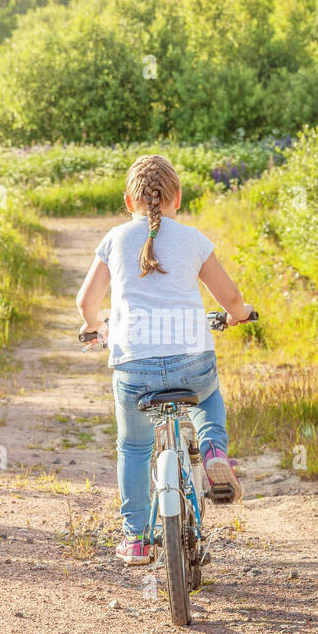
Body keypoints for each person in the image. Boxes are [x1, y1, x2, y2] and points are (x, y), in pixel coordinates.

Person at [75, 154, 255, 565]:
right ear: (177, 198)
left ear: (127, 201)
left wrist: (96, 326)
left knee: (134, 447)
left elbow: (87, 301)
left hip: (134, 369)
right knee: (208, 400)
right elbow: (230, 298)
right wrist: (239, 315)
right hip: (192, 364)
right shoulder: (193, 239)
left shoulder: (115, 239)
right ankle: (212, 452)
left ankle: (136, 538)